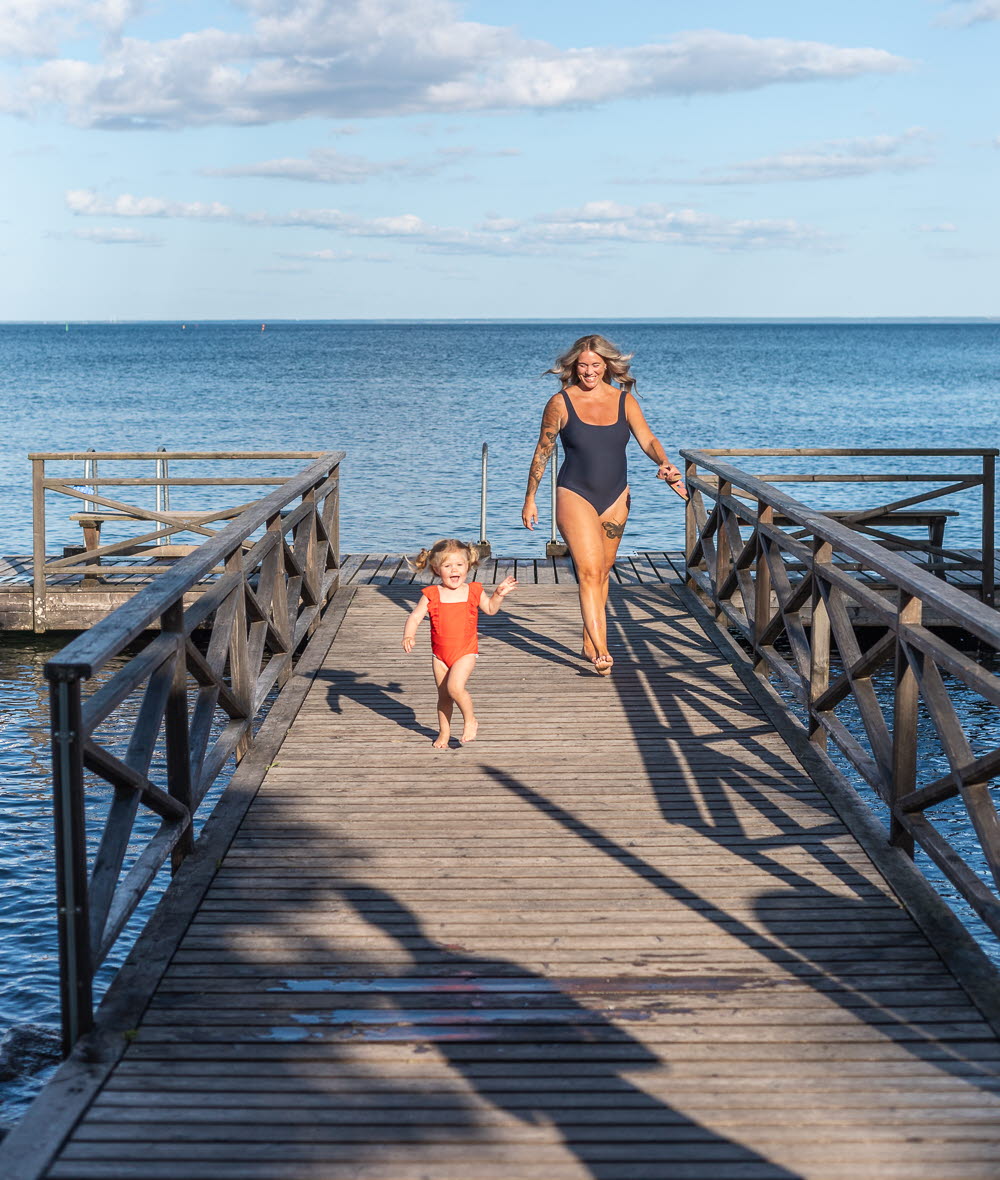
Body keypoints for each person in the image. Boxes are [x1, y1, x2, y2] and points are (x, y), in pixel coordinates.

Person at [521, 334, 686, 676]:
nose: (589, 371)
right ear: (574, 366)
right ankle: (601, 648)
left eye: (595, 365)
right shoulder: (560, 403)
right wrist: (530, 498)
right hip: (574, 493)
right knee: (589, 571)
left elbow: (647, 439)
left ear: (607, 365)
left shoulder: (624, 401)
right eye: (583, 365)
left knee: (603, 571)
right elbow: (543, 451)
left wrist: (664, 462)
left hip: (616, 496)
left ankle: (588, 639)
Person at [402, 539, 517, 748]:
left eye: (459, 565)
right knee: (444, 697)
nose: (454, 570)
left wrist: (498, 595)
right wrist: (408, 635)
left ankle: (470, 719)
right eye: (447, 566)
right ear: (436, 569)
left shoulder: (473, 591)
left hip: (465, 652)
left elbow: (490, 609)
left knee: (455, 687)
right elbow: (415, 617)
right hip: (439, 656)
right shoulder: (431, 594)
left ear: (468, 566)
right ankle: (444, 733)